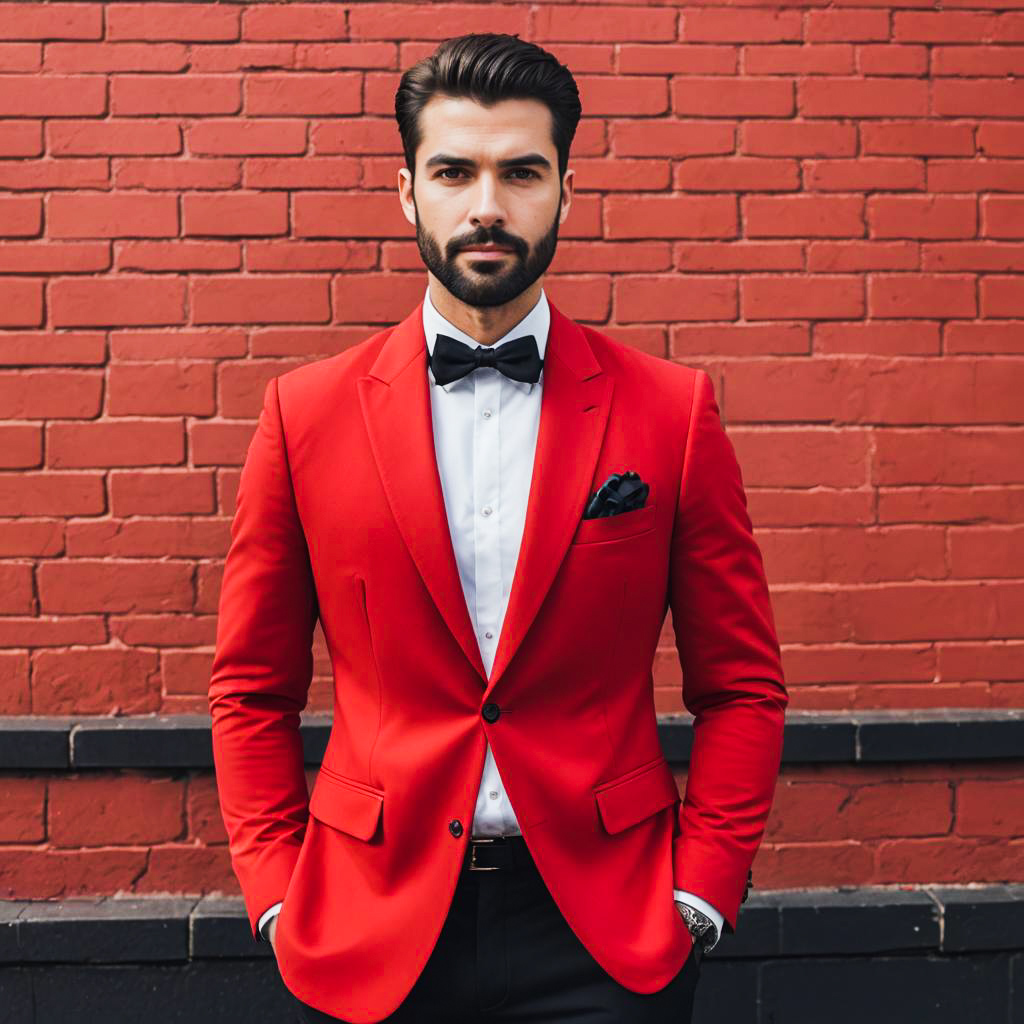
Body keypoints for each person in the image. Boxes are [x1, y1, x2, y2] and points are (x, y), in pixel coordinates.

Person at [209, 31, 788, 1024]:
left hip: (605, 931)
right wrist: (275, 894)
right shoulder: (303, 415)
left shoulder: (669, 411)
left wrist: (700, 893)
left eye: (521, 171)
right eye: (453, 171)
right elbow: (250, 685)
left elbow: (741, 683)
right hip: (364, 923)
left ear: (565, 190)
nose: (486, 205)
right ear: (407, 193)